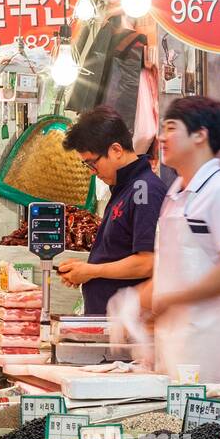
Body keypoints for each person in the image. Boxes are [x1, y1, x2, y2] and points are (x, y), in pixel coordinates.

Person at [137, 96, 220, 384]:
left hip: (207, 345)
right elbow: (174, 267)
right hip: (172, 344)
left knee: (202, 428)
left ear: (200, 134)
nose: (161, 137)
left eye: (171, 128)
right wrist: (137, 300)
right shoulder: (175, 194)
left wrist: (173, 298)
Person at [58, 106, 166, 315]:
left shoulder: (144, 189)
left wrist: (91, 271)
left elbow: (147, 262)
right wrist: (85, 269)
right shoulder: (124, 188)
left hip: (128, 327)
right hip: (109, 323)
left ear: (116, 150)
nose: (92, 173)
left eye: (92, 163)